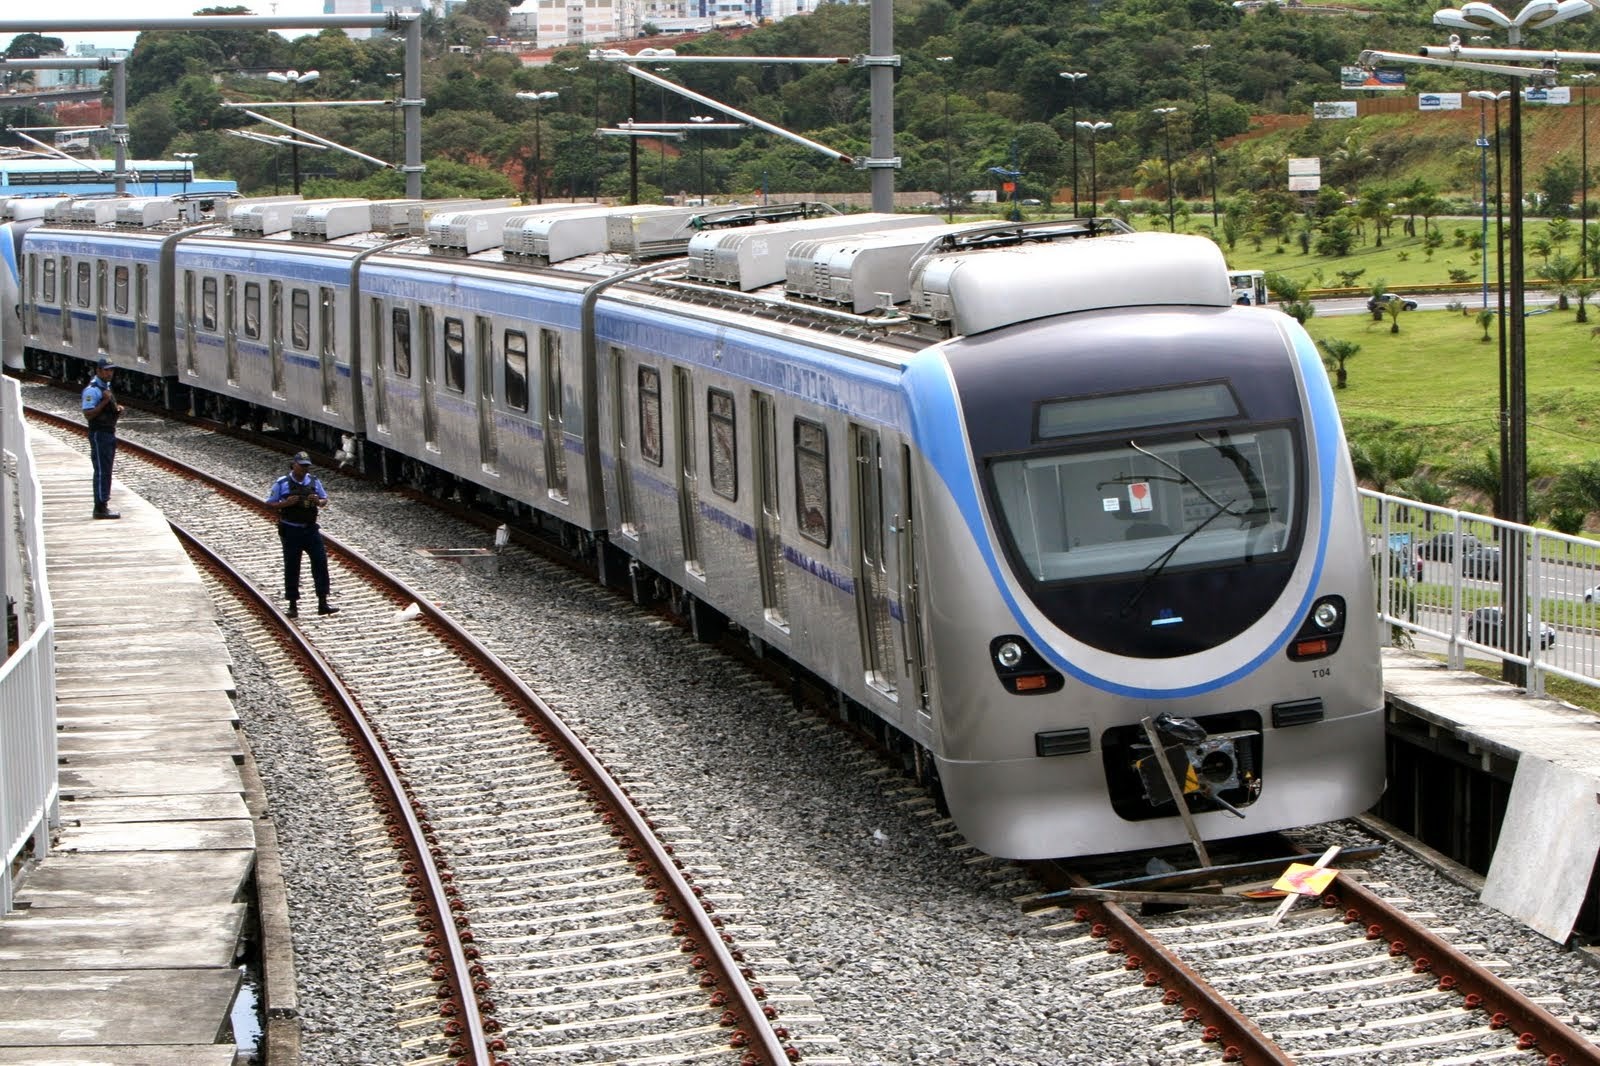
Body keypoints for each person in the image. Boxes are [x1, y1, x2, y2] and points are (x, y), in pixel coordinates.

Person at [265, 451, 339, 618]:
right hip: (290, 530)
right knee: (292, 566)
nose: (305, 469)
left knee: (320, 563)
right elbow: (269, 504)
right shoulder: (282, 483)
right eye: (302, 466)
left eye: (307, 466)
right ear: (294, 465)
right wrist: (285, 503)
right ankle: (293, 605)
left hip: (310, 529)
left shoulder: (314, 481)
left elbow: (324, 500)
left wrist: (318, 502)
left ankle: (323, 602)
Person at [81, 357, 123, 519]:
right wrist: (105, 402)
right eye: (106, 370)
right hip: (99, 433)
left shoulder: (106, 386)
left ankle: (103, 503)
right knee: (102, 471)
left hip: (108, 432)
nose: (109, 373)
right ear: (98, 371)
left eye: (111, 370)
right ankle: (100, 507)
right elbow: (88, 414)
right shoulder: (93, 390)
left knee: (106, 470)